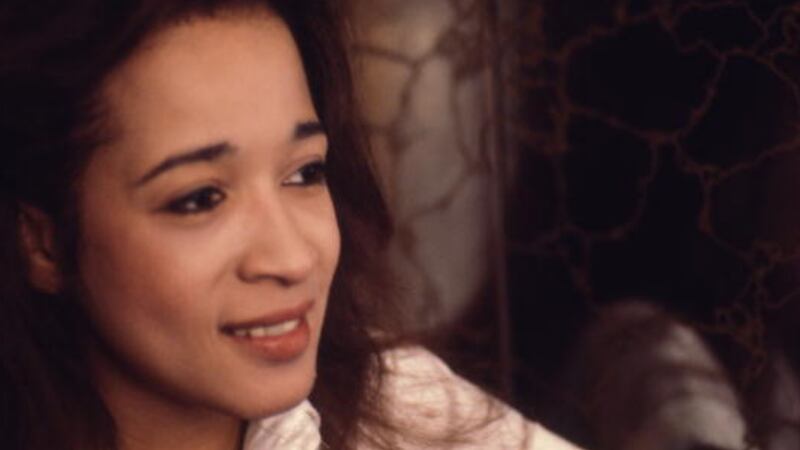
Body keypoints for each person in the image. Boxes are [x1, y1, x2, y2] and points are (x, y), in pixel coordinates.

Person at [0, 1, 582, 449]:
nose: (293, 258)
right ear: (43, 244)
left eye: (305, 173)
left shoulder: (405, 406)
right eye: (201, 199)